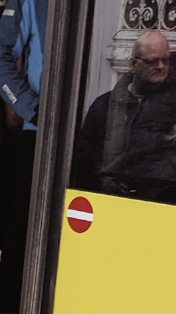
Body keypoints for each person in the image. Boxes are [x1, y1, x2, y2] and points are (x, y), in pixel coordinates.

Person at [0, 0, 54, 314]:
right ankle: (7, 313)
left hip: (90, 129)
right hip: (39, 132)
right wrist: (34, 108)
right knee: (23, 222)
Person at [73, 31, 176, 200]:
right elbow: (85, 158)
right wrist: (101, 181)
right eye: (152, 61)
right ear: (133, 64)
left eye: (165, 60)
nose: (161, 66)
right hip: (109, 199)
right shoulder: (105, 106)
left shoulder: (171, 107)